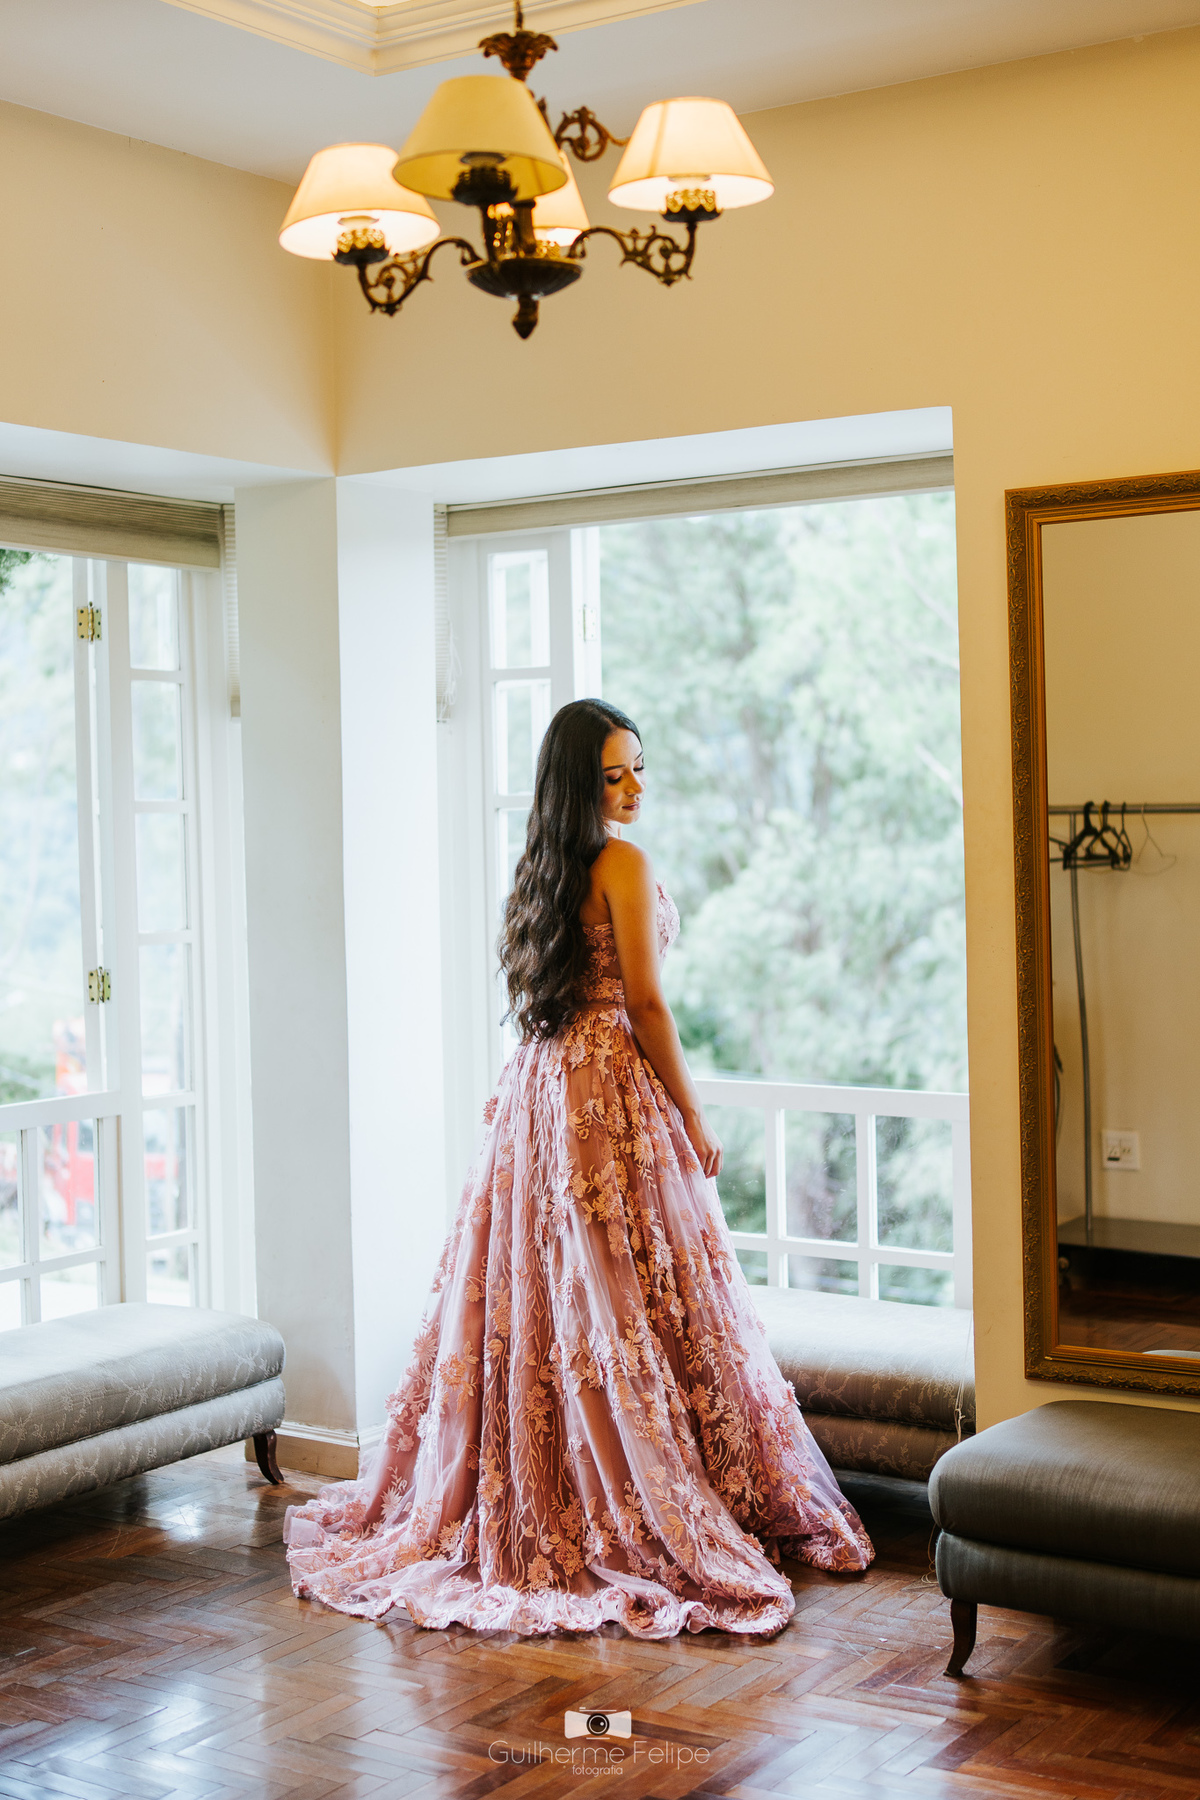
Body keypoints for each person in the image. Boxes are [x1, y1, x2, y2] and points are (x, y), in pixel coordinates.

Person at [284, 699, 873, 1637]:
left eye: (638, 767)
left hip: (543, 1087)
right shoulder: (621, 864)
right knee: (619, 1290)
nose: (634, 787)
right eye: (613, 775)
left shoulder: (545, 867)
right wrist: (692, 1112)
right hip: (605, 1090)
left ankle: (560, 1485)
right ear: (578, 784)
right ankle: (626, 1499)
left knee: (559, 1293)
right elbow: (646, 1002)